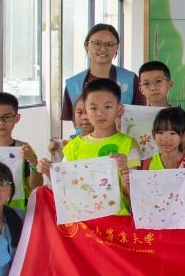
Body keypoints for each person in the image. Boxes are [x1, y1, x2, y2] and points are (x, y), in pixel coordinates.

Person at [38, 78, 140, 215]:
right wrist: (47, 171)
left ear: (119, 109)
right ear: (86, 111)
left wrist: (125, 173)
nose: (100, 113)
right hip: (82, 222)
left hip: (117, 222)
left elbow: (136, 197)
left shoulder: (128, 144)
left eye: (107, 107)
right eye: (93, 108)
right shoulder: (73, 146)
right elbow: (64, 186)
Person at [61, 23, 144, 127]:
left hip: (121, 137)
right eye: (97, 43)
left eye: (109, 44)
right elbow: (75, 123)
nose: (103, 49)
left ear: (116, 47)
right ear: (87, 45)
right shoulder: (73, 84)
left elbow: (141, 116)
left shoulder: (131, 80)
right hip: (85, 137)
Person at [143, 106, 185, 213]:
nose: (166, 138)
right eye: (160, 132)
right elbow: (144, 204)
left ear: (183, 136)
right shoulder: (147, 165)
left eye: (172, 133)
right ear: (153, 134)